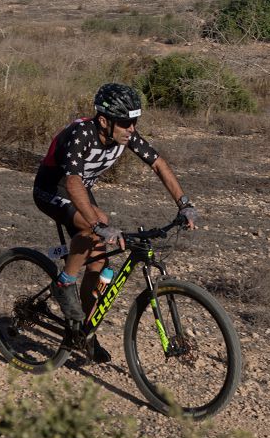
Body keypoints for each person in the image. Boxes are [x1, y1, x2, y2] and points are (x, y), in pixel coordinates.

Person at [33, 82, 198, 363]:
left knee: (99, 267)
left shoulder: (126, 135)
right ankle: (64, 283)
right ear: (104, 121)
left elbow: (158, 163)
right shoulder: (81, 134)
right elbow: (72, 182)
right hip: (53, 190)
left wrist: (184, 203)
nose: (131, 128)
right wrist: (96, 225)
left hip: (80, 192)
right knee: (94, 224)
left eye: (134, 122)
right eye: (125, 123)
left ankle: (84, 335)